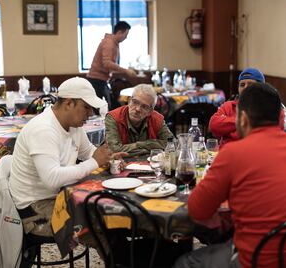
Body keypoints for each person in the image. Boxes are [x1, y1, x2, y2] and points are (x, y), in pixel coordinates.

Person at [175, 84, 286, 268]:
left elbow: (197, 210)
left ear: (242, 119)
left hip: (263, 260)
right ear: (281, 117)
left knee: (185, 262)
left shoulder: (233, 153)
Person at [9, 77, 127, 238]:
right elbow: (52, 179)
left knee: (111, 214)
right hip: (35, 210)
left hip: (60, 195)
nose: (90, 113)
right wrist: (95, 162)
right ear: (69, 103)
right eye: (86, 107)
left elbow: (89, 152)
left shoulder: (73, 126)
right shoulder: (43, 129)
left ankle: (123, 257)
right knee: (102, 224)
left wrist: (109, 158)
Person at [209, 68, 284, 148]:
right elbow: (213, 125)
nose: (245, 88)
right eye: (242, 85)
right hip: (228, 153)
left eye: (250, 85)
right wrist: (247, 120)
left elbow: (275, 132)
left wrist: (228, 124)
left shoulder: (272, 107)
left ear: (261, 88)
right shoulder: (229, 106)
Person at [105, 84, 174, 156]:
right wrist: (146, 146)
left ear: (150, 111)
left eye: (144, 107)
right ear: (129, 101)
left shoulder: (156, 118)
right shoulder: (113, 117)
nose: (137, 109)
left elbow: (172, 143)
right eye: (135, 102)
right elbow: (114, 150)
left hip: (150, 164)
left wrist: (141, 145)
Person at [87, 21, 137, 108]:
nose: (126, 37)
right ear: (119, 32)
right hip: (97, 80)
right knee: (102, 109)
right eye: (126, 34)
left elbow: (109, 64)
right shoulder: (110, 43)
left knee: (106, 107)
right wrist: (126, 71)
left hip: (99, 80)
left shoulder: (112, 42)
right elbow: (107, 63)